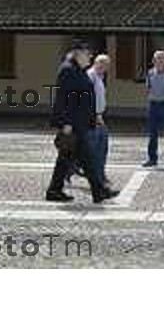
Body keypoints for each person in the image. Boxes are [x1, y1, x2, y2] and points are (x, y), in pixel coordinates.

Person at [46, 39, 119, 204]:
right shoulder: (68, 70)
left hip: (80, 122)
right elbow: (64, 99)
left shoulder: (77, 69)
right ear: (78, 53)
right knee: (87, 158)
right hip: (73, 124)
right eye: (88, 53)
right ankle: (99, 191)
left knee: (69, 158)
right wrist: (66, 123)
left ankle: (55, 190)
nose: (90, 56)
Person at [87, 54, 111, 185]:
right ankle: (98, 178)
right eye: (103, 64)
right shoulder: (90, 76)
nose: (105, 67)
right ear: (96, 63)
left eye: (107, 65)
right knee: (97, 150)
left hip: (99, 116)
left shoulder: (99, 77)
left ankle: (100, 175)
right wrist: (96, 115)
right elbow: (87, 98)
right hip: (93, 118)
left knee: (102, 148)